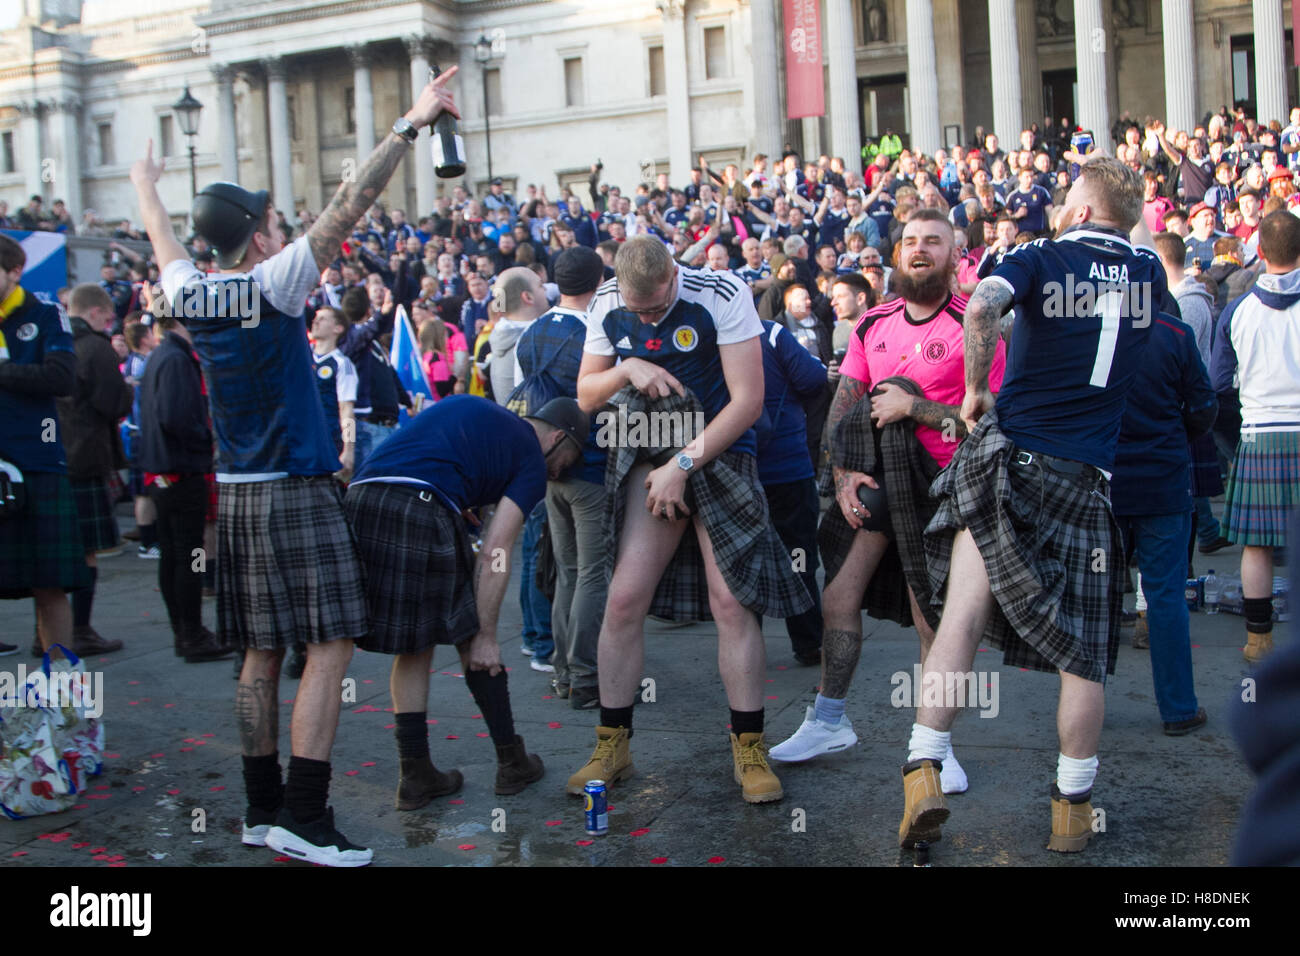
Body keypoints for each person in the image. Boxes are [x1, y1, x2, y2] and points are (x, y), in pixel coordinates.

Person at [132, 67, 461, 867]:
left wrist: (147, 186)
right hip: (295, 489)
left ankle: (258, 808)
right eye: (274, 222)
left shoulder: (192, 294)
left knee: (260, 654)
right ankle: (306, 818)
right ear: (257, 233)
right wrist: (410, 126)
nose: (285, 233)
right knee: (332, 644)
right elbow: (351, 207)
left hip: (237, 496)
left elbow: (167, 243)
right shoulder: (274, 283)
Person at [903, 156, 1169, 854]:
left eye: (1064, 199)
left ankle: (924, 772)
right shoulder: (1150, 274)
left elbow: (983, 303)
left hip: (1012, 458)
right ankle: (1071, 813)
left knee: (959, 616)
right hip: (1088, 476)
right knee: (1082, 656)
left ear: (1081, 210)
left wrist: (971, 390)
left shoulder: (1041, 256)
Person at [566, 236, 812, 804]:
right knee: (624, 598)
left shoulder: (721, 292)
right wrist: (628, 366)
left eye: (655, 308)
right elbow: (584, 394)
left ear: (675, 274)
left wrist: (682, 463)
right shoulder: (607, 301)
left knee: (731, 601)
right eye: (638, 311)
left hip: (720, 449)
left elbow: (748, 401)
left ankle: (749, 746)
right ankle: (612, 744)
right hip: (647, 449)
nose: (647, 318)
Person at [772, 210, 1006, 797]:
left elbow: (990, 424)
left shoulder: (976, 328)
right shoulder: (872, 323)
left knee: (934, 620)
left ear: (956, 256)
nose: (919, 250)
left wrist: (916, 409)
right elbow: (844, 410)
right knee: (836, 598)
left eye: (933, 241)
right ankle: (829, 721)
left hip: (948, 493)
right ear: (896, 256)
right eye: (909, 242)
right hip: (877, 486)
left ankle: (937, 749)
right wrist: (846, 472)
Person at [344, 395, 584, 808]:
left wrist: (462, 499)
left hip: (361, 500)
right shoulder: (531, 456)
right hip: (419, 507)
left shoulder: (485, 415)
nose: (560, 474)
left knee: (413, 644)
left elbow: (434, 455)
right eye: (566, 461)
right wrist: (488, 633)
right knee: (470, 632)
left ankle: (416, 773)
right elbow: (496, 551)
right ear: (556, 438)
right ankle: (511, 762)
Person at [513, 247, 610, 708]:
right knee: (591, 574)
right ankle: (586, 677)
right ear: (599, 279)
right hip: (589, 463)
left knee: (567, 571)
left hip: (547, 464)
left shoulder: (530, 332)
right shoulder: (595, 330)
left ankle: (564, 673)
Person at [1111, 309, 1215, 734]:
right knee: (1166, 598)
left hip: (1105, 483)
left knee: (1091, 599)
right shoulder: (1174, 333)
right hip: (1162, 482)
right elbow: (1203, 407)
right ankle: (1178, 709)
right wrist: (1171, 435)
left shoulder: (1086, 329)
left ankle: (1084, 707)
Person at [1211, 210, 1300, 665]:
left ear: (1259, 252)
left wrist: (1236, 436)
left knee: (1256, 545)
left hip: (1260, 434)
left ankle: (1258, 639)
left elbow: (1219, 384)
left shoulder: (1237, 310)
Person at [0, 233, 90, 657]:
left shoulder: (45, 315)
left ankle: (63, 694)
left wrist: (3, 371)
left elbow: (61, 379)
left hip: (36, 462)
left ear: (15, 272)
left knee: (48, 582)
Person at [137, 299, 229, 663]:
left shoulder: (163, 355)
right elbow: (177, 418)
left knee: (175, 554)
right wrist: (207, 440)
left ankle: (186, 630)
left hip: (165, 471)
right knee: (188, 555)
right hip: (181, 470)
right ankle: (190, 632)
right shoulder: (176, 359)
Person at [56, 284, 135, 656]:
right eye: (107, 317)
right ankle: (80, 629)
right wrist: (131, 390)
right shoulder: (95, 347)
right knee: (87, 550)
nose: (110, 323)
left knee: (56, 549)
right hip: (85, 456)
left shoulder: (53, 340)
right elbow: (112, 402)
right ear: (93, 312)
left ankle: (50, 629)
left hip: (53, 456)